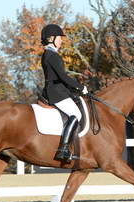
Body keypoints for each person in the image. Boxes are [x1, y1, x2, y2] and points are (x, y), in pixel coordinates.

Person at [41, 24, 88, 163]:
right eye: (59, 38)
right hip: (56, 92)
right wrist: (80, 87)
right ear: (51, 39)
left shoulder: (49, 54)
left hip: (58, 90)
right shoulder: (52, 55)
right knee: (76, 114)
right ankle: (63, 149)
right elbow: (63, 77)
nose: (61, 41)